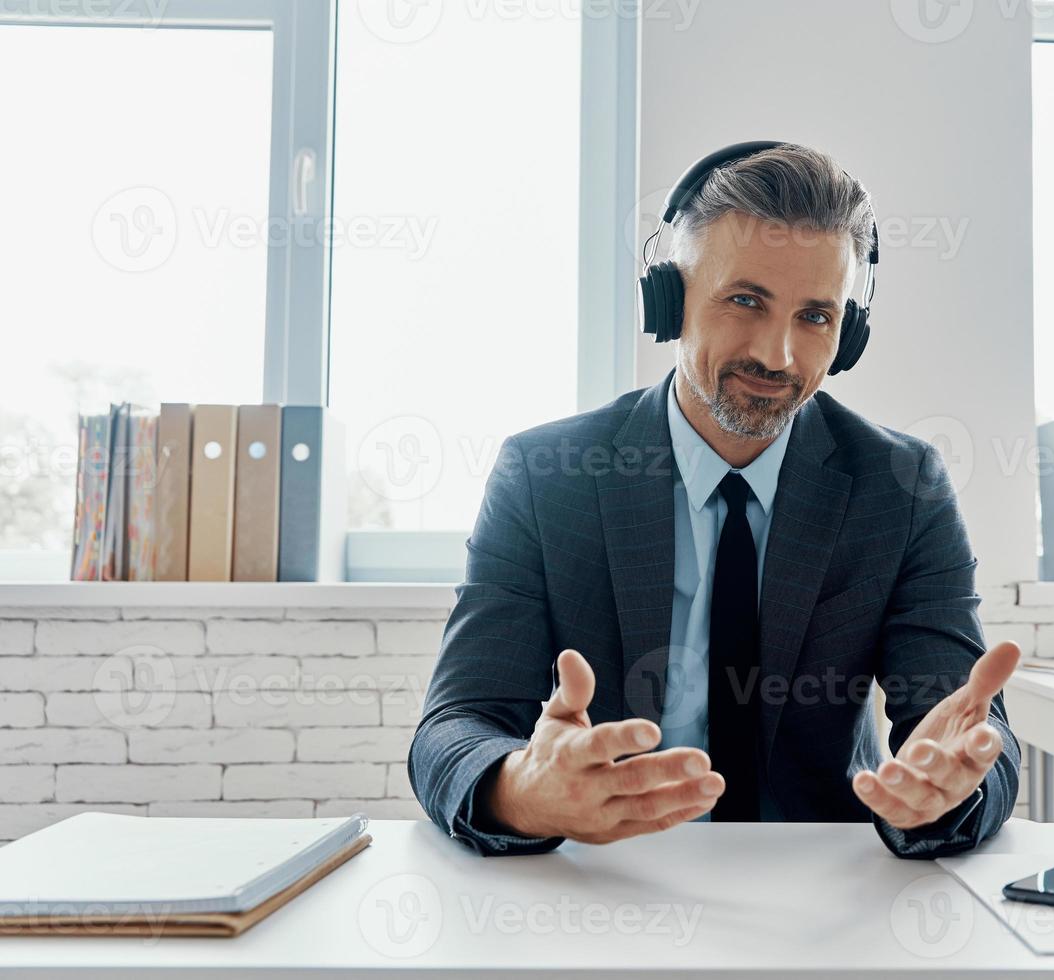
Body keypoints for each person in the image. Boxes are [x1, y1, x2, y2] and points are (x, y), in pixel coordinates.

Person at [409, 141, 1021, 857]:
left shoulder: (901, 486)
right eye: (745, 301)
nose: (777, 355)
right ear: (671, 299)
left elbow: (970, 734)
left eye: (816, 317)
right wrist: (522, 792)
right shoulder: (547, 475)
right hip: (607, 882)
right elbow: (454, 726)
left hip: (820, 892)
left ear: (848, 332)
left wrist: (951, 791)